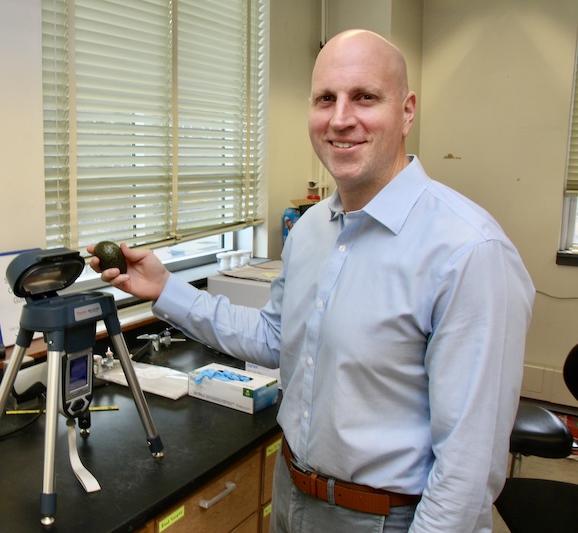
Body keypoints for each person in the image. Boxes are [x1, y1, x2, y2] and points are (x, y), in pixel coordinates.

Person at [88, 29, 534, 533]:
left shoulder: (469, 252)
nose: (340, 119)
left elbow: (468, 467)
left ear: (407, 110)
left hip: (390, 518)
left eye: (365, 97)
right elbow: (278, 339)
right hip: (293, 496)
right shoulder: (312, 231)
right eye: (326, 98)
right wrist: (165, 289)